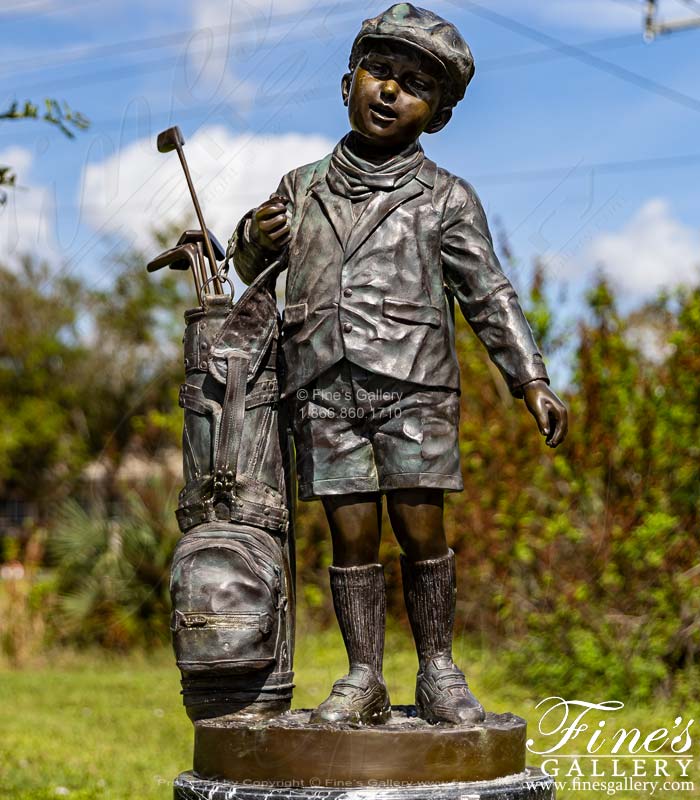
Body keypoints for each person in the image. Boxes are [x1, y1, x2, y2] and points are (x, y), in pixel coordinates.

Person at [230, 3, 568, 726]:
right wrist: (254, 237)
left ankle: (440, 667)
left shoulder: (445, 197)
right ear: (347, 80)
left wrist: (530, 379)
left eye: (414, 84)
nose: (390, 90)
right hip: (323, 385)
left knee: (422, 529)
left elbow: (488, 291)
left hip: (414, 386)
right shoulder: (301, 186)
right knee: (349, 533)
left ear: (437, 114)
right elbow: (250, 266)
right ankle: (362, 676)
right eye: (379, 71)